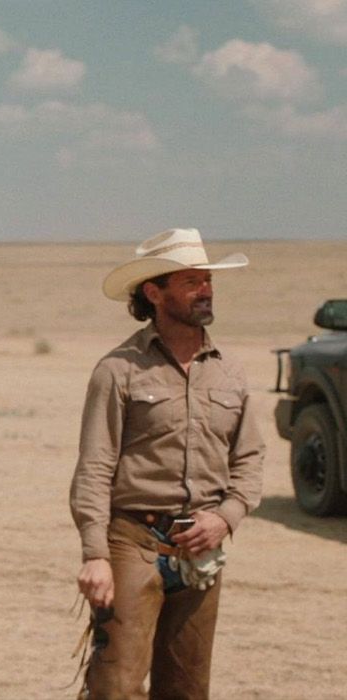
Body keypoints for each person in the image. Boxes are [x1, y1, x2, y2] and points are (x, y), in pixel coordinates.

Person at [71, 228, 265, 699]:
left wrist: (225, 518)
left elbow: (250, 459)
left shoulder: (229, 371)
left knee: (188, 688)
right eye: (192, 281)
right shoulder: (119, 369)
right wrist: (95, 554)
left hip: (201, 550)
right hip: (132, 541)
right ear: (155, 293)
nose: (206, 290)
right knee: (115, 685)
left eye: (208, 280)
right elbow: (95, 466)